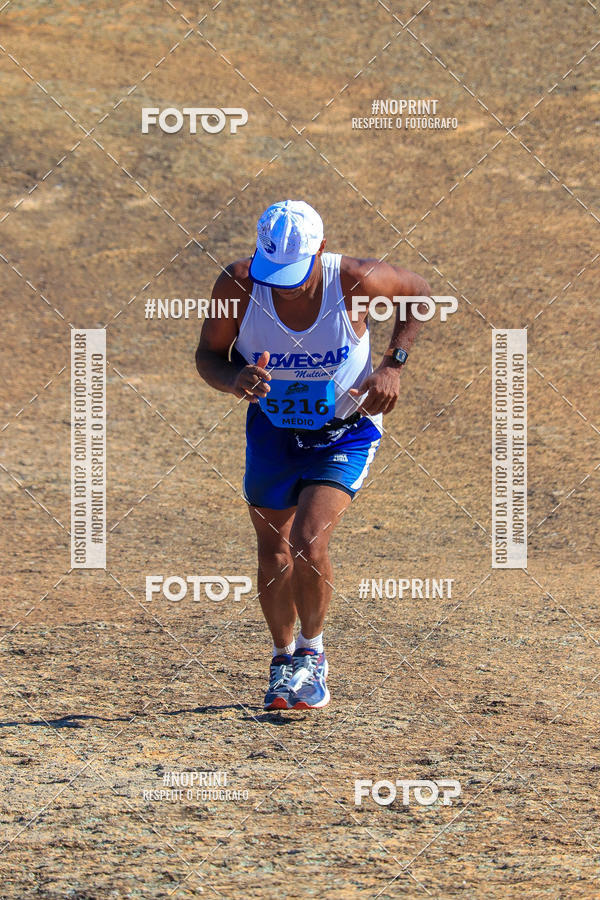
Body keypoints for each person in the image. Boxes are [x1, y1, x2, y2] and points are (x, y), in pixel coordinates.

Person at [196, 200, 430, 710]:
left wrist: (394, 364)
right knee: (272, 550)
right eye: (270, 270)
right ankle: (284, 660)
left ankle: (313, 654)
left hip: (344, 432)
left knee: (306, 540)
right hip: (273, 432)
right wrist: (233, 379)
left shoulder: (355, 279)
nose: (279, 283)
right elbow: (208, 357)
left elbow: (419, 293)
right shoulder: (236, 285)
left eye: (292, 274)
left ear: (320, 251)